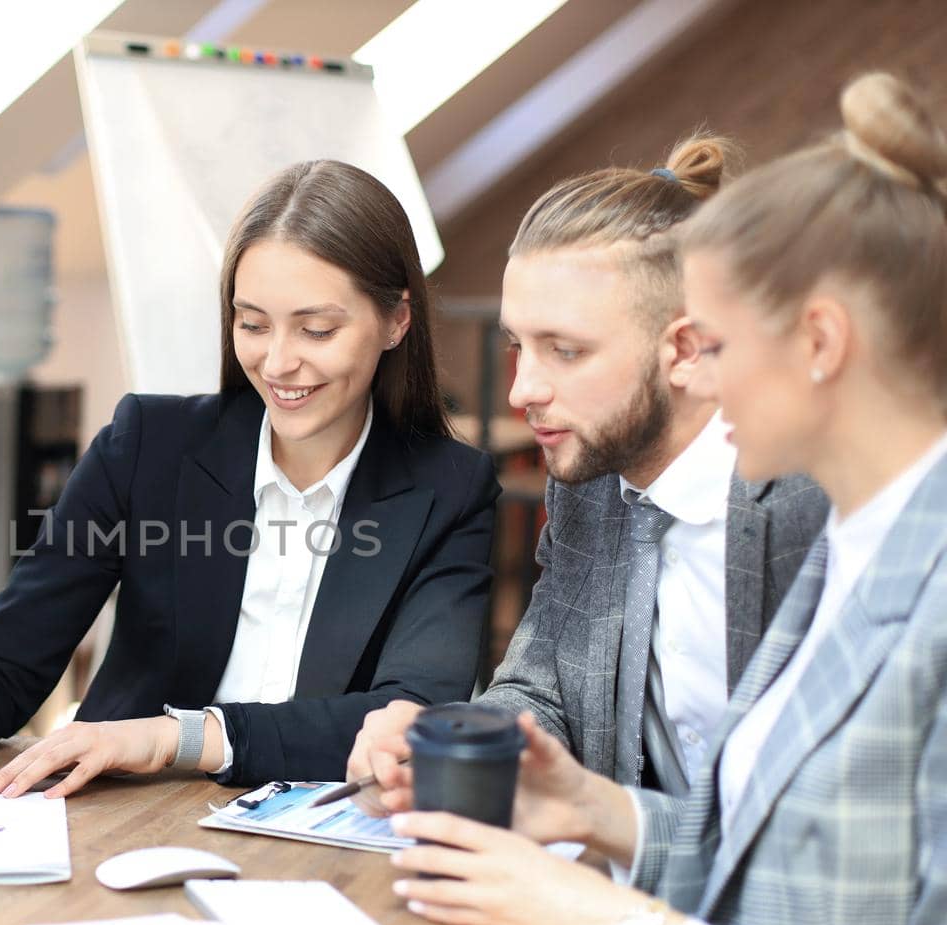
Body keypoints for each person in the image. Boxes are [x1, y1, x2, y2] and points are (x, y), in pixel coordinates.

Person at [389, 72, 947, 925]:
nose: (697, 372)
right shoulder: (865, 542)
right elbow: (785, 873)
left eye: (714, 342)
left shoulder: (852, 537)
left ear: (820, 341)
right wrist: (591, 810)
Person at [0, 160, 500, 811]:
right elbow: (2, 662)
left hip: (326, 836)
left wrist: (175, 736)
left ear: (397, 318)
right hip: (126, 818)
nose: (279, 362)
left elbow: (410, 713)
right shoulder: (148, 445)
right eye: (252, 324)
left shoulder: (451, 489)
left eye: (316, 330)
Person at [345, 135, 827, 812]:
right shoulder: (591, 485)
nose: (522, 390)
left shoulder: (817, 500)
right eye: (519, 347)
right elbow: (542, 688)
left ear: (685, 349)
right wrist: (450, 739)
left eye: (565, 351)